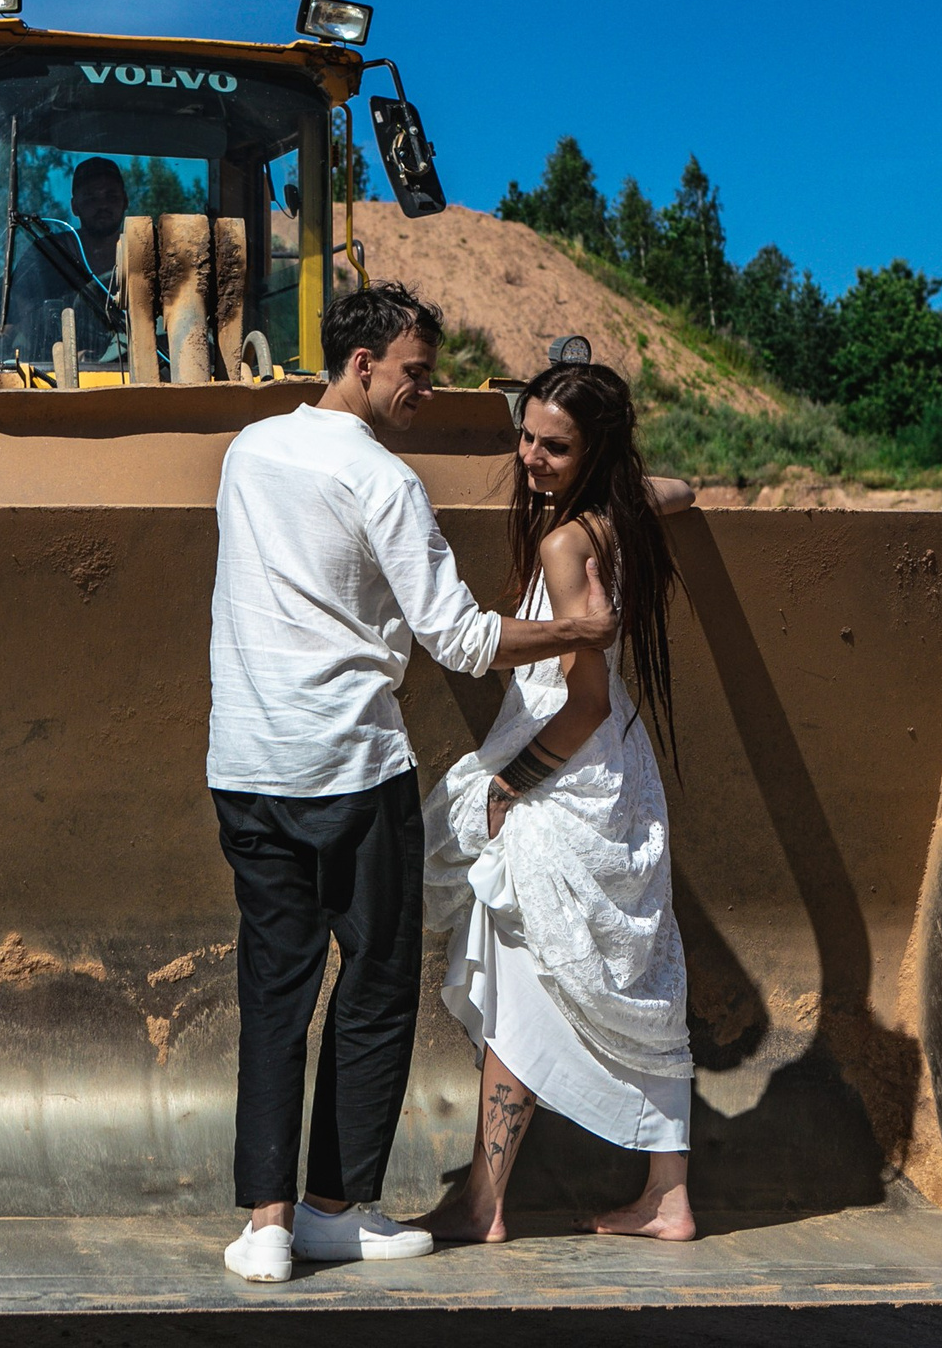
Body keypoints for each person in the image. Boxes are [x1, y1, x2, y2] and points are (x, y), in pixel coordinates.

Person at [205, 284, 624, 1283]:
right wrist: (576, 630)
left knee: (274, 986)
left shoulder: (248, 452)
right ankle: (332, 1210)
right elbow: (462, 639)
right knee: (377, 983)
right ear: (363, 365)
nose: (425, 393)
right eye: (415, 373)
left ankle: (264, 1222)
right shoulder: (384, 481)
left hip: (245, 762)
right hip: (351, 770)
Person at [410, 358, 699, 1245]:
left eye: (555, 445)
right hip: (618, 776)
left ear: (595, 450)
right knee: (635, 978)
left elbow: (586, 700)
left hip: (565, 782)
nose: (531, 457)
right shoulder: (623, 517)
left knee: (522, 991)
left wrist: (509, 783)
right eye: (526, 435)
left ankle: (484, 1201)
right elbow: (678, 487)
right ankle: (669, 1196)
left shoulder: (565, 543)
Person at [6, 155, 129, 358]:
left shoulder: (145, 256)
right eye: (91, 198)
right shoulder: (48, 256)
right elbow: (22, 317)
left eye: (111, 196)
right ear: (75, 206)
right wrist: (63, 353)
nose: (103, 205)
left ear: (125, 201)